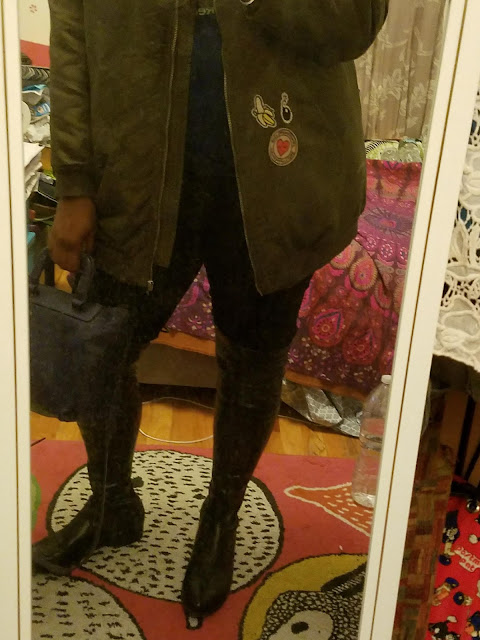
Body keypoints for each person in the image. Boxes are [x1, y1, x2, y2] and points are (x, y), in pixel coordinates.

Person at [33, 0, 389, 624]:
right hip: (135, 172)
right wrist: (77, 182)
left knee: (253, 359)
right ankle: (111, 503)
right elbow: (71, 30)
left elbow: (355, 23)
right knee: (104, 346)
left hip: (277, 173)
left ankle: (221, 517)